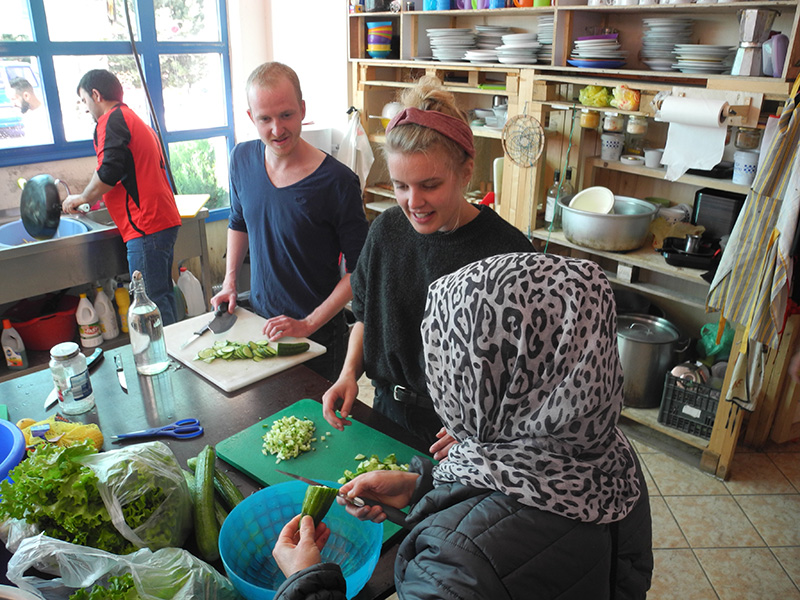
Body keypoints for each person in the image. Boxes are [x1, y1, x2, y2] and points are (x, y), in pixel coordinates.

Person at [273, 252, 654, 600]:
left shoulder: (453, 565)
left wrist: (306, 580)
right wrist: (421, 487)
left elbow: (489, 542)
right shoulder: (611, 450)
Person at [321, 76, 534, 453]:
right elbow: (366, 315)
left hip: (468, 434)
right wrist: (348, 373)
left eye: (430, 185)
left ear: (465, 172)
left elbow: (528, 370)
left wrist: (487, 424)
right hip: (388, 411)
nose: (413, 202)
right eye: (401, 186)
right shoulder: (387, 231)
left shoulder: (509, 253)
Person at [211, 62, 368, 382]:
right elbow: (238, 221)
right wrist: (230, 282)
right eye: (265, 119)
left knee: (322, 426)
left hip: (318, 337)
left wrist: (309, 323)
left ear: (302, 109)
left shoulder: (337, 182)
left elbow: (360, 271)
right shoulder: (241, 159)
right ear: (250, 117)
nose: (277, 130)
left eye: (286, 115)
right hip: (261, 325)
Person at [62, 69, 181, 325]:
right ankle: (174, 356)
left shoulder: (111, 120)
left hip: (146, 226)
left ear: (96, 94)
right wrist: (90, 200)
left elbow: (108, 171)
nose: (86, 109)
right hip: (160, 221)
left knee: (150, 303)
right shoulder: (132, 119)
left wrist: (81, 196)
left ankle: (166, 361)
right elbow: (125, 174)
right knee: (162, 296)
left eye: (85, 101)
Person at [8, 77, 53, 145]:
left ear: (26, 96)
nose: (13, 104)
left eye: (14, 99)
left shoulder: (46, 117)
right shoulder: (29, 115)